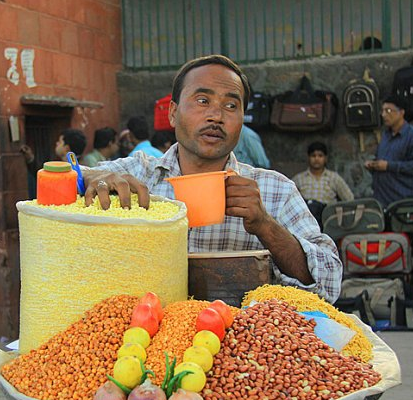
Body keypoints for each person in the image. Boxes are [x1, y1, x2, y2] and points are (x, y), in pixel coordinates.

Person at [82, 54, 342, 303]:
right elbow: (58, 177)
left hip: (239, 344)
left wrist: (265, 225)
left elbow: (329, 283)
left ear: (242, 120)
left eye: (231, 106)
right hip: (139, 340)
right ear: (173, 113)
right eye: (202, 101)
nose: (216, 116)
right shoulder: (138, 174)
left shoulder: (274, 190)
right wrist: (92, 175)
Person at [364, 96, 413, 207]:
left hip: (402, 202)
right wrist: (373, 164)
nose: (384, 115)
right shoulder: (386, 135)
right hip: (382, 200)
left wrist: (389, 166)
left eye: (388, 111)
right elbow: (384, 160)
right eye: (382, 111)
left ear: (401, 112)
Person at [292, 142, 354, 228]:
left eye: (320, 156)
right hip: (305, 221)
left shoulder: (334, 178)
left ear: (325, 158)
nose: (316, 159)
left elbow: (349, 199)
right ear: (308, 158)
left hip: (328, 220)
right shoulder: (299, 179)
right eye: (313, 156)